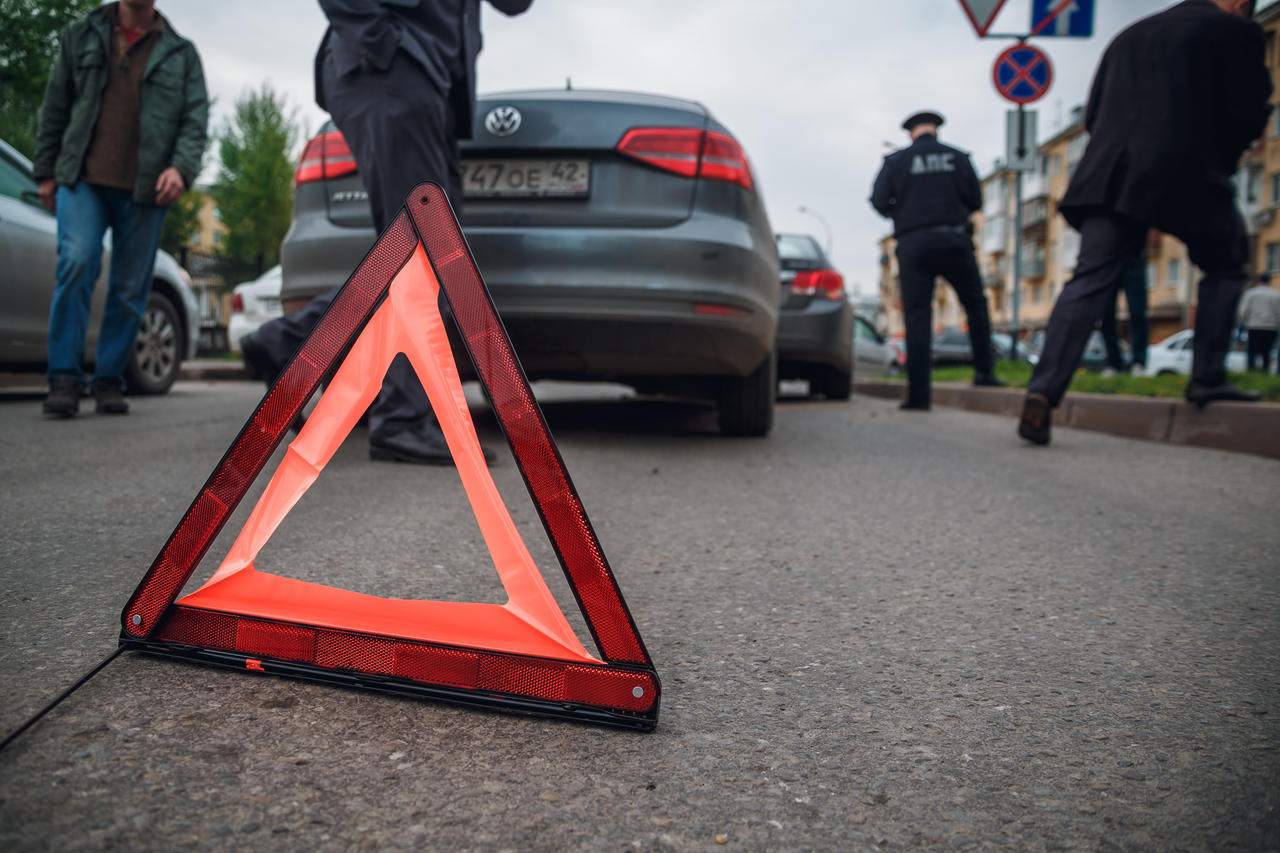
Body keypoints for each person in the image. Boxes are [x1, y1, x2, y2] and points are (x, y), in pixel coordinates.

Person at [240, 0, 532, 465]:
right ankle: (399, 419)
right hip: (391, 69)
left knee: (426, 253)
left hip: (433, 87)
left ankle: (289, 342)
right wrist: (381, 45)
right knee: (422, 251)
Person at [1018, 0, 1271, 445]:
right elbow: (1247, 111)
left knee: (1090, 279)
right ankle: (1208, 376)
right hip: (1187, 169)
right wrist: (1222, 163)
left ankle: (1042, 391)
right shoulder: (1234, 31)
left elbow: (1093, 116)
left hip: (1112, 175)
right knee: (1228, 264)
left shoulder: (1128, 35)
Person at [34, 0, 207, 417]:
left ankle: (109, 379)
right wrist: (46, 170)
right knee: (76, 262)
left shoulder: (181, 53)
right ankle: (64, 378)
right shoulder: (81, 34)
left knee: (130, 289)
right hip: (82, 178)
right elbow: (56, 103)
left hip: (146, 189)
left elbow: (194, 121)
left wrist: (180, 170)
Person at [870, 110, 1005, 411]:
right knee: (975, 304)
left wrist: (903, 214)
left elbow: (878, 201)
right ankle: (984, 372)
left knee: (917, 315)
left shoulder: (896, 161)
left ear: (910, 134)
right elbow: (976, 200)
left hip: (914, 242)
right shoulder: (958, 157)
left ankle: (919, 395)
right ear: (937, 130)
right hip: (955, 238)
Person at [1099, 257, 1150, 376]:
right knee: (1106, 317)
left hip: (1134, 259)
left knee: (1138, 314)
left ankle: (1139, 363)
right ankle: (1113, 364)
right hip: (1107, 262)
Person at [1238, 273, 1280, 372]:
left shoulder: (1250, 293)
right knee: (1267, 352)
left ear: (1258, 280)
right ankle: (1265, 372)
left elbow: (1243, 312)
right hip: (1271, 327)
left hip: (1254, 326)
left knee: (1252, 353)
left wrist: (1246, 323)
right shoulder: (1276, 295)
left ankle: (1251, 373)